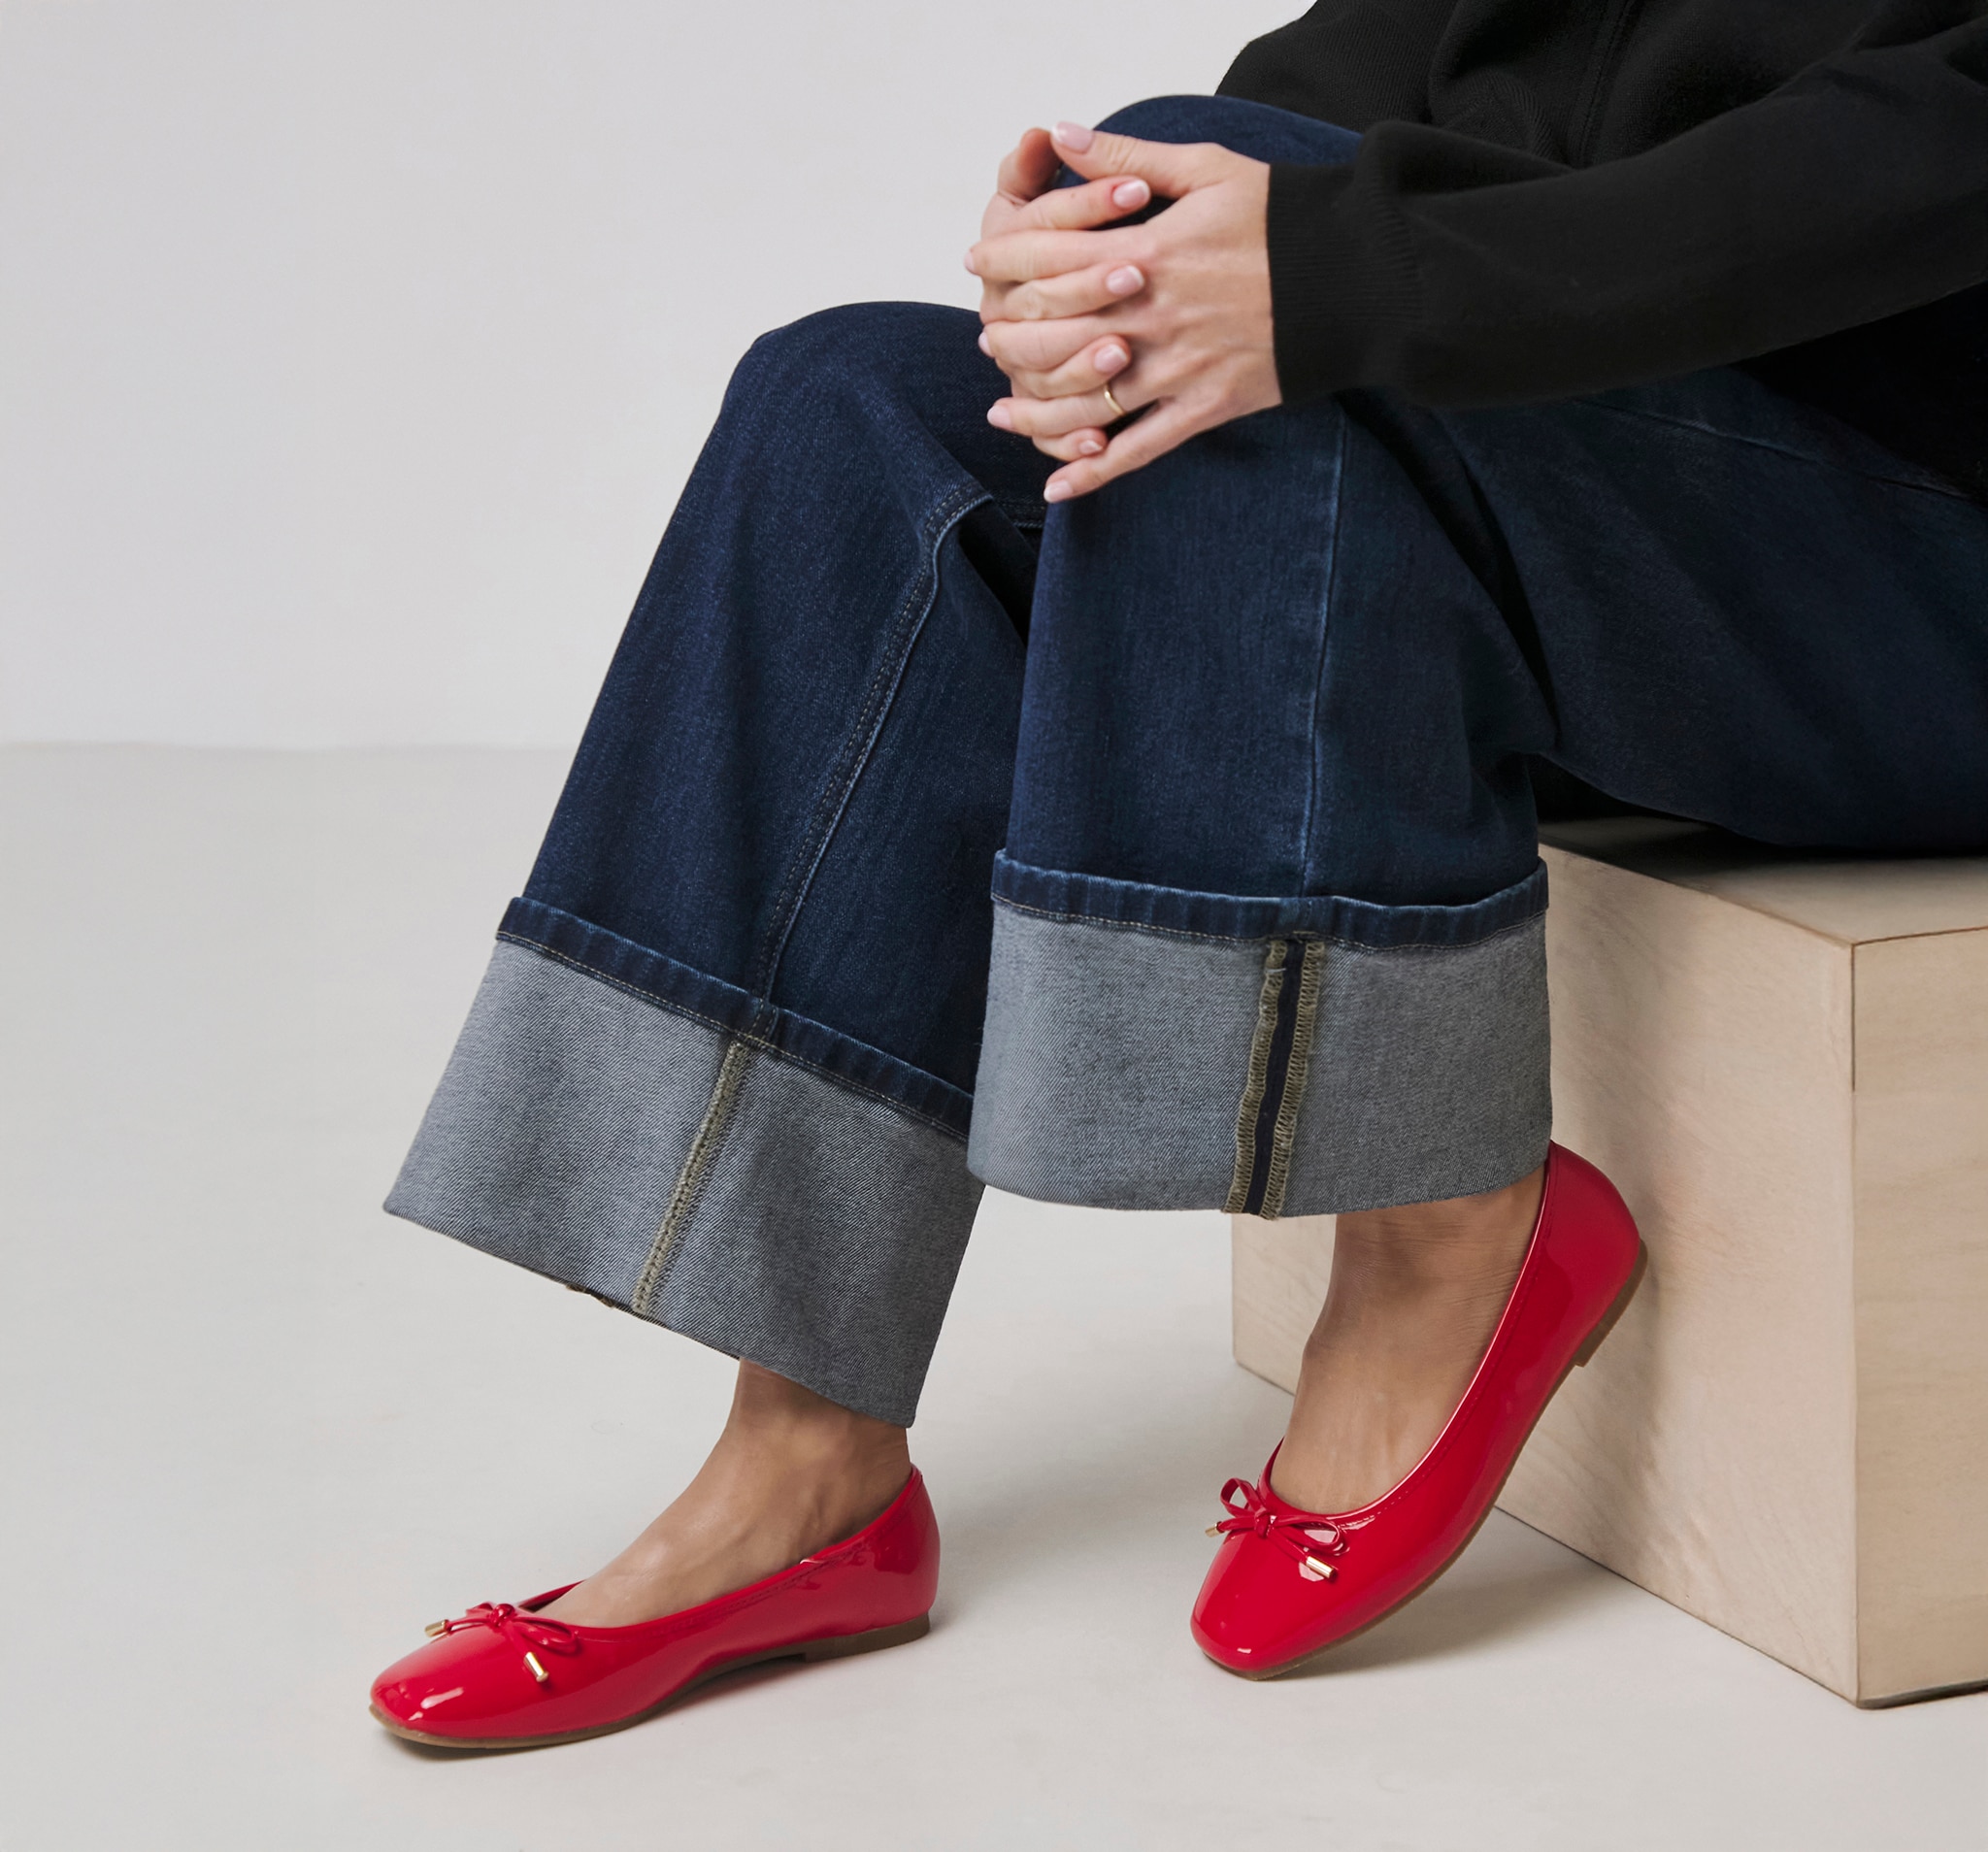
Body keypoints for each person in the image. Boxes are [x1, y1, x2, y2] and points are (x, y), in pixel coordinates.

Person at [368, 1, 1988, 1748]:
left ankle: (1442, 1214)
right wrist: (1113, 245)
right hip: (1626, 518)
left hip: (1924, 572)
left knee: (1291, 285)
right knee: (851, 402)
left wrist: (1347, 263)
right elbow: (1377, 74)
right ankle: (808, 1459)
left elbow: (1926, 156)